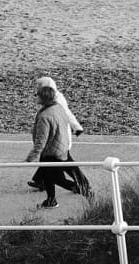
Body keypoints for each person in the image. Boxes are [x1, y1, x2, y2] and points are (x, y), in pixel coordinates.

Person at [26, 76, 91, 208]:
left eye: (37, 91)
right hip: (61, 143)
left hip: (53, 147)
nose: (35, 94)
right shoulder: (56, 105)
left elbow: (41, 140)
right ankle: (50, 195)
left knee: (57, 175)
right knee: (52, 172)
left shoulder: (46, 114)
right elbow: (66, 116)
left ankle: (81, 187)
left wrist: (32, 157)